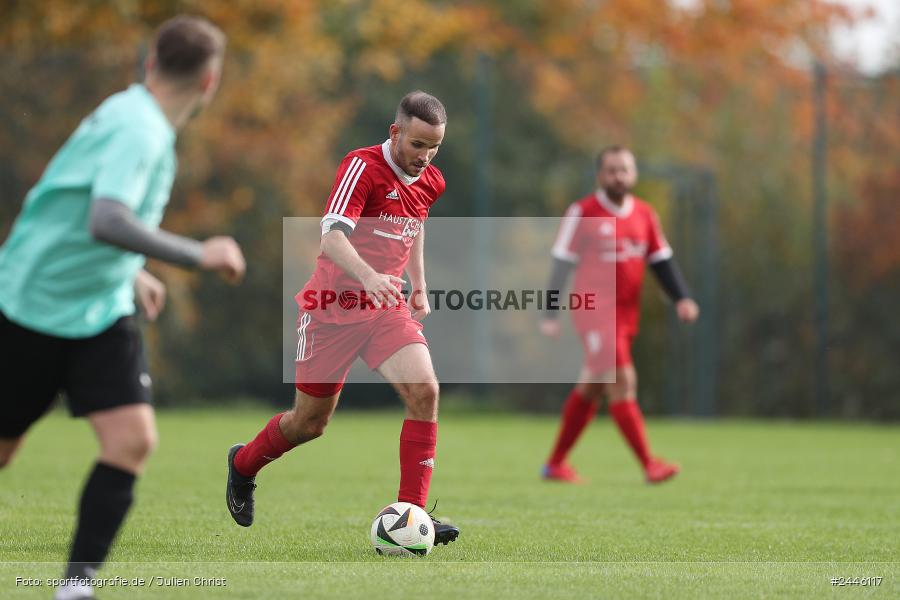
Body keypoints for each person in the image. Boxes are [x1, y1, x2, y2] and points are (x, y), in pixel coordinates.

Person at [0, 16, 245, 600]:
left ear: (150, 63)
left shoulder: (129, 113)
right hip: (33, 305)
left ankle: (75, 587)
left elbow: (73, 200)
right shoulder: (140, 129)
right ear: (210, 81)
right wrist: (197, 254)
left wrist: (131, 272)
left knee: (132, 440)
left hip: (99, 308)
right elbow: (105, 218)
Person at [225, 91, 460, 547]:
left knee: (425, 390)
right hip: (332, 309)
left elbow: (416, 225)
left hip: (384, 308)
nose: (425, 157)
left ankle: (411, 514)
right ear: (395, 133)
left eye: (434, 148)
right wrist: (370, 276)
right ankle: (242, 465)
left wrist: (420, 286)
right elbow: (331, 236)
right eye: (417, 145)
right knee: (308, 424)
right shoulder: (361, 167)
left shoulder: (430, 179)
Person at [539, 146, 699, 484]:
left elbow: (661, 262)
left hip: (625, 315)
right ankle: (649, 465)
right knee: (622, 379)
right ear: (600, 175)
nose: (619, 176)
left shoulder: (644, 215)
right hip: (592, 311)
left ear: (634, 174)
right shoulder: (582, 212)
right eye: (612, 170)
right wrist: (550, 313)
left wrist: (681, 298)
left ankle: (554, 464)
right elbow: (561, 264)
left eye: (625, 169)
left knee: (592, 388)